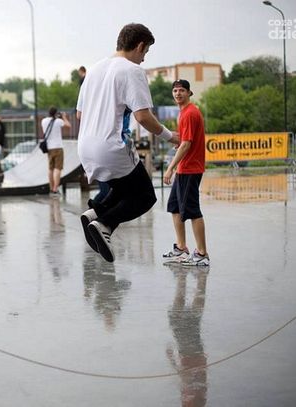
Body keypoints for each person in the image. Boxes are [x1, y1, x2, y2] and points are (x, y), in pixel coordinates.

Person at [77, 23, 179, 263]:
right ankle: (104, 223)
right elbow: (143, 116)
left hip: (85, 147)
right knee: (145, 196)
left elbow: (80, 114)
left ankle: (94, 213)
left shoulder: (94, 69)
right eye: (146, 52)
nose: (144, 59)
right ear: (140, 46)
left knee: (125, 189)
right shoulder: (132, 71)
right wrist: (169, 135)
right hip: (110, 146)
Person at [162, 79, 209, 266]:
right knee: (175, 207)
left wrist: (170, 168)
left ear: (189, 93)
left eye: (182, 90)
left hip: (190, 168)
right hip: (184, 168)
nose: (178, 93)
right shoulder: (183, 113)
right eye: (175, 90)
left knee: (192, 211)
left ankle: (202, 254)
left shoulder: (189, 113)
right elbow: (185, 141)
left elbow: (187, 145)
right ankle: (181, 249)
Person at [41, 107, 71, 195]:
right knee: (57, 168)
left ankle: (51, 188)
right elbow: (68, 125)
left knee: (51, 168)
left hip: (49, 148)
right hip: (58, 147)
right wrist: (64, 117)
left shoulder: (43, 121)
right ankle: (55, 189)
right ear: (56, 113)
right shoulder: (58, 121)